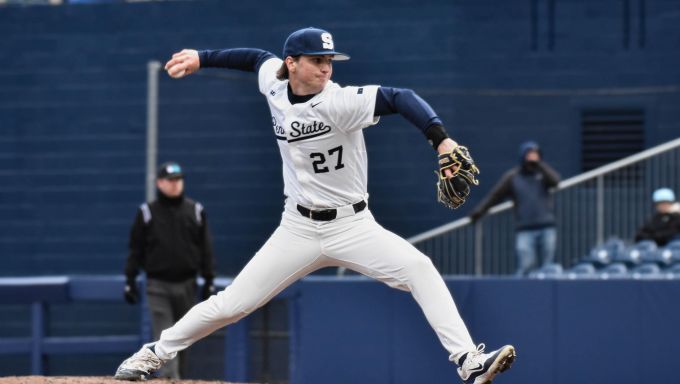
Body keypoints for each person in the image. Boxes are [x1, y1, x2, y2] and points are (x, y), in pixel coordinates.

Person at [114, 27, 515, 384]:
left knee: (419, 268)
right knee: (232, 304)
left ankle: (468, 360)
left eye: (330, 61)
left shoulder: (341, 102)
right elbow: (254, 57)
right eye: (317, 61)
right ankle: (152, 354)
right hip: (298, 227)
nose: (327, 68)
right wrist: (202, 57)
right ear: (291, 64)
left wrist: (441, 139)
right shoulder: (273, 82)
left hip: (353, 226)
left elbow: (400, 97)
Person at [123, 161, 216, 379]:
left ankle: (176, 379)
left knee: (184, 336)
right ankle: (169, 379)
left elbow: (206, 248)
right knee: (164, 334)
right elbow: (135, 249)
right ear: (159, 183)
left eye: (178, 180)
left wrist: (209, 278)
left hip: (187, 284)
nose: (175, 185)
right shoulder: (146, 213)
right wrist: (130, 279)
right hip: (158, 285)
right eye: (170, 180)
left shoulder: (196, 210)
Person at [469, 141, 561, 276]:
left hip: (547, 227)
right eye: (530, 154)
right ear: (523, 155)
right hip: (525, 229)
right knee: (526, 265)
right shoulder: (512, 177)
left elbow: (556, 181)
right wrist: (478, 212)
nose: (533, 157)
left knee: (548, 268)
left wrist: (539, 165)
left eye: (536, 154)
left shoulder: (543, 174)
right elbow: (495, 196)